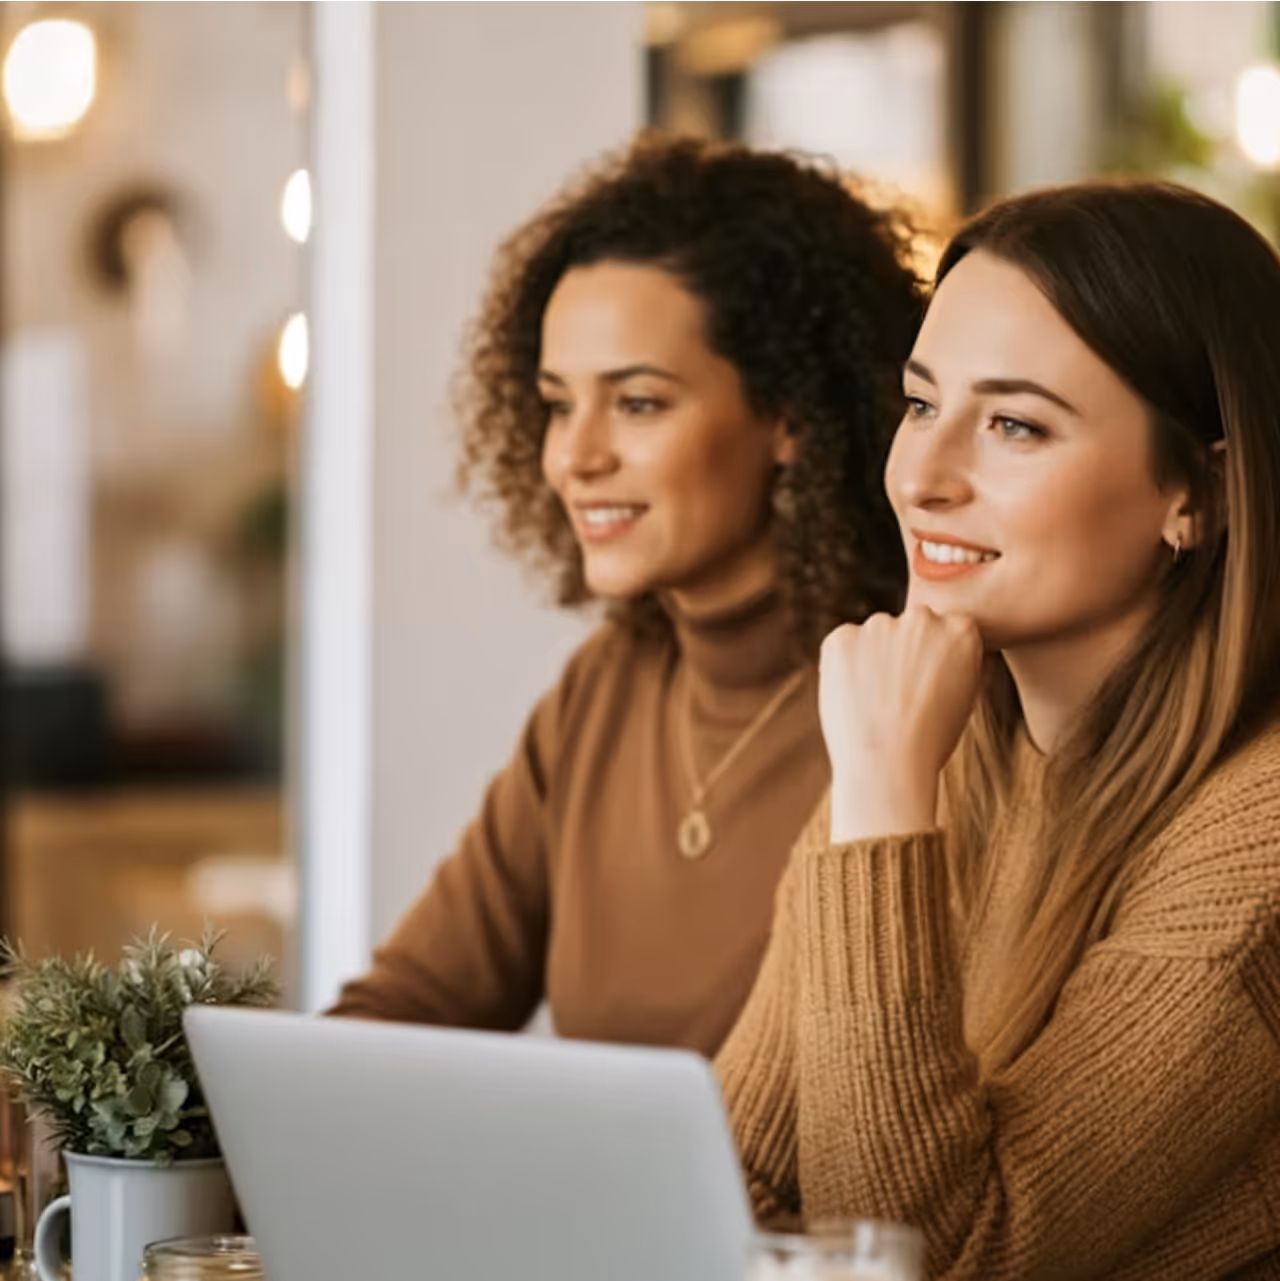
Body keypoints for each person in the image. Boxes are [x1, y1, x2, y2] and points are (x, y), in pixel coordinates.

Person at [718, 179, 1280, 1277]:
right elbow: (737, 1174)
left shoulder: (1257, 845)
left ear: (1198, 497)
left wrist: (879, 798)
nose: (921, 478)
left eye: (1013, 424)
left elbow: (929, 1258)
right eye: (921, 404)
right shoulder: (939, 747)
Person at [329, 133, 923, 1056]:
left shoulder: (919, 697)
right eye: (560, 403)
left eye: (638, 402)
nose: (575, 456)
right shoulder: (605, 690)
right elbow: (408, 1006)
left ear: (792, 417)